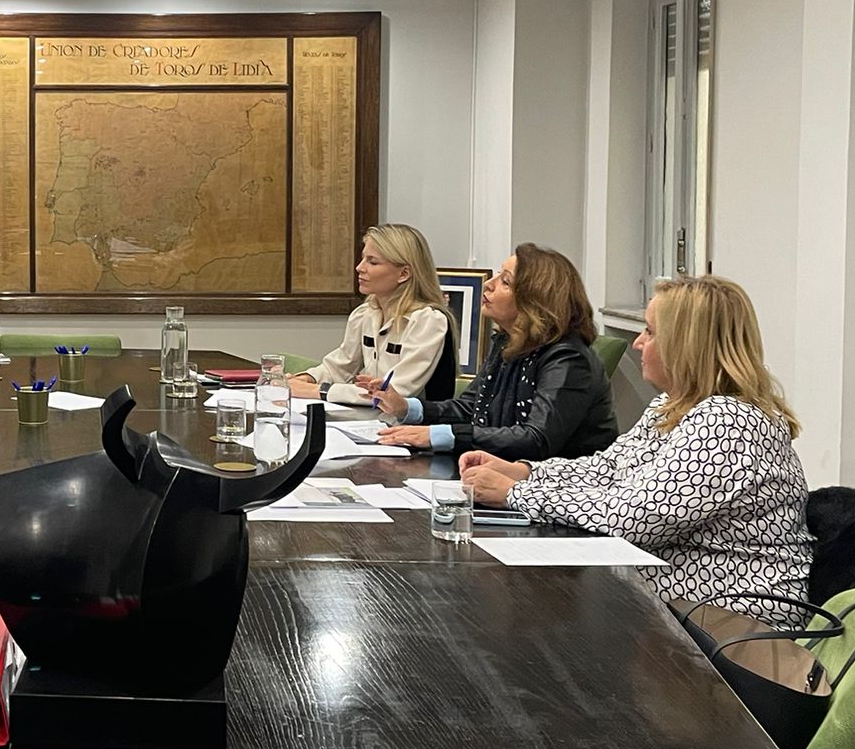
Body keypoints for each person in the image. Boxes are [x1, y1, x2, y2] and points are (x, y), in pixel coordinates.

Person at [460, 275, 812, 621]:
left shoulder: (729, 421)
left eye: (651, 332)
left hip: (730, 625)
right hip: (673, 611)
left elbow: (633, 519)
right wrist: (526, 471)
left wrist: (516, 494)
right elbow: (609, 469)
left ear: (685, 345)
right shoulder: (671, 405)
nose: (638, 343)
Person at [372, 244, 617, 460]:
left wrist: (439, 435)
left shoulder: (568, 359)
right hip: (499, 472)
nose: (489, 284)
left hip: (555, 491)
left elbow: (536, 439)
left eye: (505, 281)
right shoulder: (509, 341)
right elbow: (472, 408)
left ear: (534, 300)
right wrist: (408, 408)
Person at [290, 223, 455, 408]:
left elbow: (395, 392)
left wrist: (319, 391)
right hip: (369, 417)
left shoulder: (428, 321)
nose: (360, 268)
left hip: (408, 427)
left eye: (373, 262)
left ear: (404, 273)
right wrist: (306, 379)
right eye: (362, 259)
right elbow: (341, 366)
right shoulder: (365, 314)